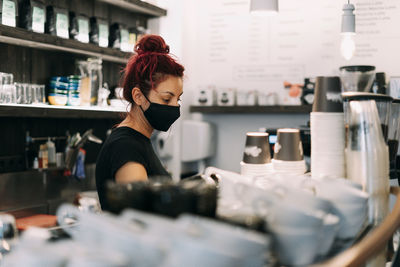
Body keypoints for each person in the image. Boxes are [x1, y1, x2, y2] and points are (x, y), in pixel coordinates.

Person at [95, 35, 185, 210]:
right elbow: (139, 218)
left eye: (178, 100)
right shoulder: (126, 146)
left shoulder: (139, 140)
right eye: (167, 99)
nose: (175, 107)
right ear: (138, 96)